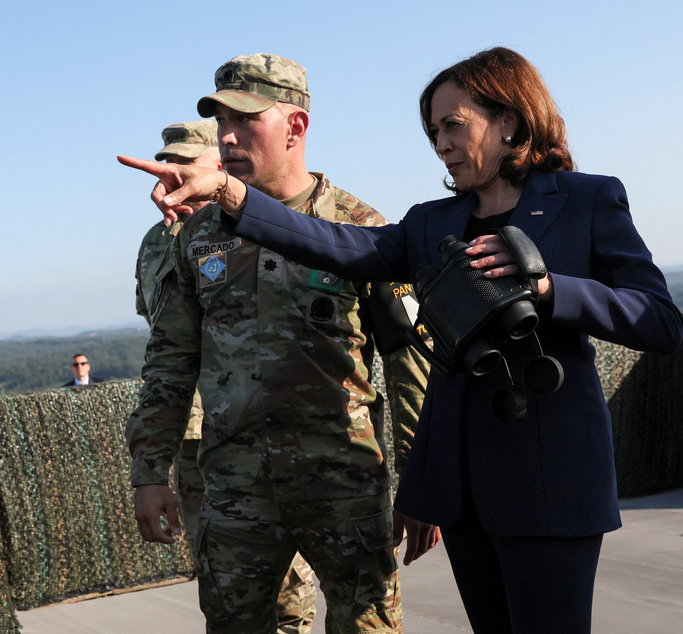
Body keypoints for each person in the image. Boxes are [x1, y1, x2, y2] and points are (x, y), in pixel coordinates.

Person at [119, 47, 683, 633]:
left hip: (550, 483)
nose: (439, 142)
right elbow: (333, 244)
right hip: (466, 493)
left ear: (509, 121)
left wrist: (546, 287)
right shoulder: (431, 223)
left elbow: (660, 321)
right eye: (432, 129)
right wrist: (231, 195)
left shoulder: (586, 201)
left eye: (453, 125)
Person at [125, 53, 433, 633]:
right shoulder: (196, 237)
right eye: (221, 122)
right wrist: (149, 470)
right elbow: (169, 361)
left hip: (343, 486)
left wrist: (424, 478)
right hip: (235, 491)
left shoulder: (358, 227)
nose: (228, 137)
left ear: (295, 127)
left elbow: (408, 359)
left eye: (246, 120)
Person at [135, 119, 318, 633]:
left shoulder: (273, 225)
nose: (172, 179)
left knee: (288, 593)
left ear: (219, 168)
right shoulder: (158, 243)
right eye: (167, 167)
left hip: (281, 441)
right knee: (222, 582)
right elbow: (165, 346)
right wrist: (152, 463)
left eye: (186, 168)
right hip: (202, 440)